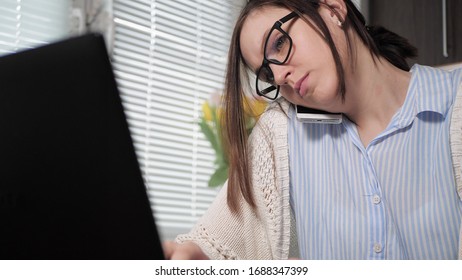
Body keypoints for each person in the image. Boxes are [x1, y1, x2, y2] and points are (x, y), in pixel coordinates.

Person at [163, 0, 462, 259]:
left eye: (278, 43)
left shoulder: (454, 101)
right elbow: (213, 244)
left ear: (333, 8)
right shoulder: (278, 135)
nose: (279, 76)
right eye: (266, 73)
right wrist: (193, 256)